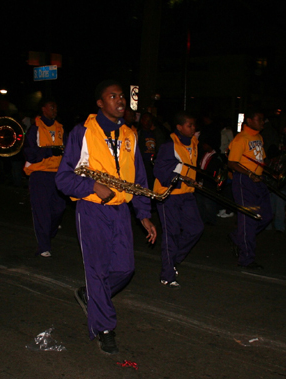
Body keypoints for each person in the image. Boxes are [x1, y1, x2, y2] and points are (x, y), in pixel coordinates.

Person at [56, 80, 156, 355]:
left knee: (125, 269)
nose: (120, 100)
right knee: (97, 271)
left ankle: (91, 295)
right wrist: (91, 186)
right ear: (100, 103)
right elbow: (63, 178)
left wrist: (144, 214)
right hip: (91, 210)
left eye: (122, 95)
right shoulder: (83, 133)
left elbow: (139, 178)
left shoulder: (130, 134)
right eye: (113, 96)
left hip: (121, 211)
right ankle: (104, 328)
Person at [153, 111, 204, 287]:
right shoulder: (169, 145)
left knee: (196, 228)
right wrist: (180, 177)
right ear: (179, 127)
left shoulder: (194, 143)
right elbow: (159, 170)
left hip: (187, 193)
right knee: (171, 233)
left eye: (193, 125)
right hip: (169, 194)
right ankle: (167, 274)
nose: (193, 128)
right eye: (189, 125)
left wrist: (195, 180)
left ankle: (173, 260)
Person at [226, 107, 273, 269]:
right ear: (250, 121)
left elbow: (259, 159)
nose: (262, 122)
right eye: (259, 119)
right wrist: (249, 174)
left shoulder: (258, 137)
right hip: (243, 180)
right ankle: (246, 258)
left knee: (266, 215)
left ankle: (239, 237)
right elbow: (231, 163)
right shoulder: (241, 139)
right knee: (248, 219)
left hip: (257, 180)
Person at [23, 99, 67, 257]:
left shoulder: (60, 128)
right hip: (39, 174)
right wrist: (49, 152)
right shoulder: (34, 129)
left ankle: (49, 232)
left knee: (59, 208)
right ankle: (43, 246)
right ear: (43, 109)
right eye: (52, 106)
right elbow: (29, 153)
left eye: (55, 106)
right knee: (42, 211)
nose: (55, 109)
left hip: (57, 174)